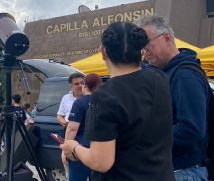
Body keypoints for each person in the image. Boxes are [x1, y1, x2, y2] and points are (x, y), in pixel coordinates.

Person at [61, 22, 174, 180]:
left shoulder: (105, 95)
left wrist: (74, 148)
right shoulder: (159, 78)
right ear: (141, 51)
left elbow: (101, 162)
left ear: (103, 52)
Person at [137, 15, 210, 180]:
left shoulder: (184, 76)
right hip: (171, 169)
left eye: (147, 44)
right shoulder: (165, 72)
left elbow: (192, 128)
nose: (144, 51)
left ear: (167, 38)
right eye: (141, 47)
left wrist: (147, 138)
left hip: (184, 171)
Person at [63, 73, 102, 181]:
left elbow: (72, 129)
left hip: (80, 151)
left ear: (85, 85)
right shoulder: (105, 101)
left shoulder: (79, 103)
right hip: (100, 150)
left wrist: (65, 150)